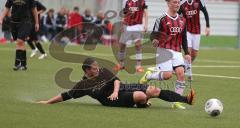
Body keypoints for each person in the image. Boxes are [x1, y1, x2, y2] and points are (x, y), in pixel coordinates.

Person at [37, 58, 195, 108]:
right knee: (141, 96)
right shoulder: (83, 85)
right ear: (87, 71)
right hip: (110, 100)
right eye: (94, 68)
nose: (97, 69)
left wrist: (114, 90)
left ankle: (185, 99)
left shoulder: (103, 71)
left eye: (97, 66)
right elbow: (66, 95)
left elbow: (117, 81)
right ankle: (142, 103)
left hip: (120, 90)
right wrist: (48, 102)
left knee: (153, 90)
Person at [139, 0, 191, 109]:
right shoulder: (161, 19)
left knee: (181, 74)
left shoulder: (183, 20)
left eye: (178, 2)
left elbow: (184, 38)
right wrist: (154, 40)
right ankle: (149, 75)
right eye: (174, 2)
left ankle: (176, 101)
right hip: (163, 50)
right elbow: (153, 35)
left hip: (177, 51)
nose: (177, 4)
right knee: (167, 76)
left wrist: (187, 53)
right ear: (168, 3)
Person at [0, 0, 39, 70]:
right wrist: (1, 18)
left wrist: (37, 22)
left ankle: (17, 64)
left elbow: (34, 10)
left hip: (26, 22)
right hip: (13, 22)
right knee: (20, 44)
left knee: (20, 41)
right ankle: (23, 65)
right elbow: (7, 7)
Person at [178, 0, 210, 80]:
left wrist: (208, 26)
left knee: (194, 54)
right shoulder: (182, 3)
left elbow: (205, 13)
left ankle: (184, 67)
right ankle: (189, 74)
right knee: (188, 51)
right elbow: (178, 16)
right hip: (186, 31)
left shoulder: (199, 1)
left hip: (197, 31)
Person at [114, 0, 148, 73]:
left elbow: (145, 13)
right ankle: (121, 64)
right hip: (127, 26)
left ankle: (138, 66)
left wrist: (146, 25)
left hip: (138, 26)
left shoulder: (143, 1)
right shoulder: (127, 1)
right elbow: (124, 13)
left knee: (138, 45)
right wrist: (122, 24)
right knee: (122, 45)